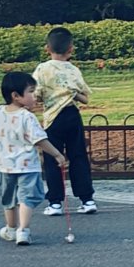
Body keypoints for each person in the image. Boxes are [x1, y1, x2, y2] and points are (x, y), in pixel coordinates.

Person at [0, 72, 53, 243]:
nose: (35, 96)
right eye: (31, 92)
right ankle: (23, 230)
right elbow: (40, 140)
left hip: (2, 165)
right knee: (26, 197)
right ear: (16, 96)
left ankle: (11, 228)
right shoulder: (27, 117)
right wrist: (57, 154)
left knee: (8, 198)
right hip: (27, 165)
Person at [34, 29, 98, 220]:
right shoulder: (73, 70)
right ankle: (87, 200)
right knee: (78, 155)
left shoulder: (42, 69)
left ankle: (55, 202)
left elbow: (35, 95)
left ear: (47, 48)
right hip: (72, 114)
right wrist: (70, 93)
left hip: (53, 118)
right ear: (71, 49)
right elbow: (85, 98)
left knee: (53, 157)